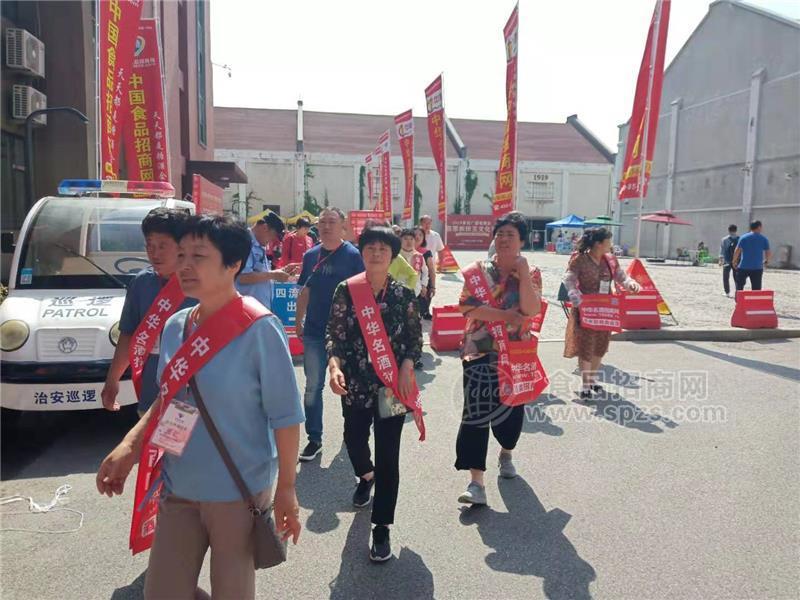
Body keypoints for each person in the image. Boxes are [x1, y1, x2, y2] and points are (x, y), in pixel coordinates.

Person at [96, 215, 304, 599]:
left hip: (237, 492)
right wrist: (131, 446)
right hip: (179, 487)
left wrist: (287, 489)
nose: (185, 265)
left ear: (233, 264)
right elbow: (169, 399)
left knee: (232, 592)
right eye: (182, 255)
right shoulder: (176, 326)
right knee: (161, 592)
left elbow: (286, 417)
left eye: (199, 256)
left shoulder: (260, 328)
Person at [326, 226, 423, 562]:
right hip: (353, 383)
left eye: (383, 248)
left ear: (393, 255)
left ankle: (381, 526)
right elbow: (334, 336)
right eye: (370, 247)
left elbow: (414, 340)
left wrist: (409, 363)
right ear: (362, 252)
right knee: (353, 440)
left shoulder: (403, 295)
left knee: (389, 456)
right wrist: (334, 367)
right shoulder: (346, 291)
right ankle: (366, 475)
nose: (376, 253)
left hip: (390, 387)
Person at [455, 212, 542, 506]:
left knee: (510, 417)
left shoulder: (532, 272)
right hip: (479, 350)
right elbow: (467, 306)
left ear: (522, 241)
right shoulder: (477, 271)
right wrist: (504, 315)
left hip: (516, 354)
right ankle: (476, 482)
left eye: (511, 235)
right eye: (500, 233)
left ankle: (506, 451)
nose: (504, 239)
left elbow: (531, 310)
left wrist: (524, 270)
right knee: (476, 414)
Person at [102, 208, 196, 416]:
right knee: (149, 445)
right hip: (150, 389)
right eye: (149, 246)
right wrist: (112, 379)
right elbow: (129, 333)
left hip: (190, 394)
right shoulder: (141, 283)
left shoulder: (199, 283)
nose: (154, 253)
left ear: (182, 246)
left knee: (179, 447)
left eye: (162, 246)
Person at [295, 207, 365, 462]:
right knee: (313, 387)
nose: (326, 226)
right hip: (314, 330)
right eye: (322, 222)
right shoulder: (310, 255)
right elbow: (306, 290)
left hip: (344, 334)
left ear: (343, 225)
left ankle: (352, 435)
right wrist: (297, 320)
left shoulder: (353, 256)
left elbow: (361, 295)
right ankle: (314, 439)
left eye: (332, 221)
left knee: (349, 387)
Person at [563, 228, 641, 401]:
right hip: (585, 309)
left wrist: (630, 283)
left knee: (600, 345)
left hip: (605, 310)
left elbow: (621, 276)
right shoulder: (580, 259)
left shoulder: (611, 260)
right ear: (598, 243)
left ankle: (592, 379)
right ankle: (585, 385)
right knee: (586, 346)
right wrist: (573, 293)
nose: (611, 244)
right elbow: (569, 278)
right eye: (608, 241)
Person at [236, 214, 291, 309]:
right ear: (265, 227)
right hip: (246, 311)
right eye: (273, 236)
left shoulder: (259, 245)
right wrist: (273, 275)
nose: (271, 241)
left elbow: (261, 273)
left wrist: (281, 271)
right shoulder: (245, 243)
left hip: (258, 309)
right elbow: (242, 277)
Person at [733, 220, 771, 291]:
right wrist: (766, 261)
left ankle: (738, 301)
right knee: (756, 288)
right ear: (759, 227)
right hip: (757, 267)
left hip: (743, 266)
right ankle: (755, 301)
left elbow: (737, 250)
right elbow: (768, 252)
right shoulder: (764, 239)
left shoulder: (743, 237)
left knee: (739, 286)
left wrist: (734, 261)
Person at [414, 227, 435, 319]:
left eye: (420, 235)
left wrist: (433, 286)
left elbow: (431, 270)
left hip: (425, 282)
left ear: (423, 238)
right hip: (412, 282)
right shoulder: (404, 251)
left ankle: (425, 313)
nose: (417, 237)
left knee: (424, 303)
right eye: (415, 234)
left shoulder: (426, 252)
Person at [719, 224, 739, 297]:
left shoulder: (724, 239)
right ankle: (738, 292)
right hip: (737, 261)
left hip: (727, 261)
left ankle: (727, 292)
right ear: (736, 230)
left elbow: (722, 251)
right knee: (736, 277)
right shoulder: (739, 239)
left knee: (726, 277)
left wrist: (721, 260)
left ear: (728, 230)